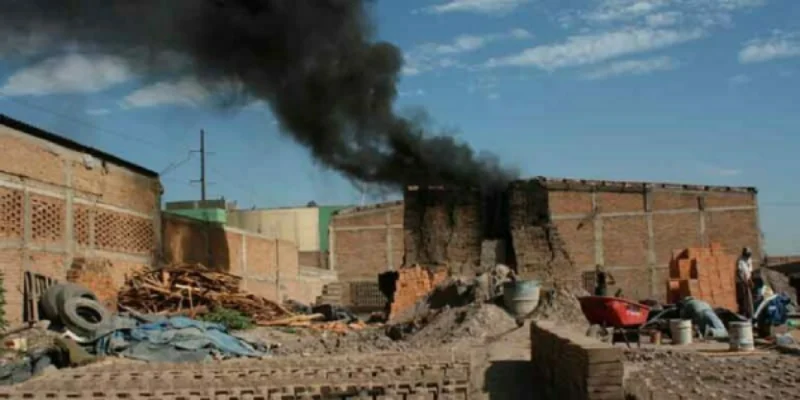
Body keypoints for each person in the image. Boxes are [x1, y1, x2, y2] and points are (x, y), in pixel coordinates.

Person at [736, 247, 755, 318]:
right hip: (741, 282)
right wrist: (744, 282)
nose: (748, 256)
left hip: (747, 280)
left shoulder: (749, 259)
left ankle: (750, 314)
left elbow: (750, 271)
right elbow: (738, 273)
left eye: (749, 255)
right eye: (747, 255)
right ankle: (743, 314)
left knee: (749, 299)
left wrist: (750, 281)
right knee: (743, 299)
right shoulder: (740, 261)